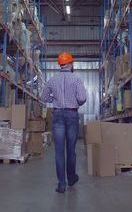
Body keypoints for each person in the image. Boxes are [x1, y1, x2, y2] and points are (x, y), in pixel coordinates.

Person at [41, 52, 87, 193]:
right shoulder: (76, 79)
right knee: (71, 150)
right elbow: (83, 98)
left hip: (58, 115)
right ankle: (71, 178)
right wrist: (75, 101)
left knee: (59, 151)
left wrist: (54, 100)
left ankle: (61, 184)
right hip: (72, 114)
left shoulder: (52, 80)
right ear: (70, 64)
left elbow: (43, 97)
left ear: (60, 64)